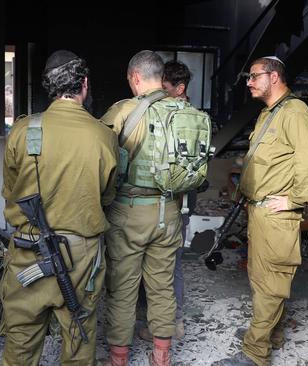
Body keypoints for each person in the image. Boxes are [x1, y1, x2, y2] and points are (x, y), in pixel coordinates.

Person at [0, 49, 118, 366]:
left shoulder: (22, 132)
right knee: (79, 342)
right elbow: (106, 197)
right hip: (81, 255)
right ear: (85, 85)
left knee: (20, 342)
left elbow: (10, 192)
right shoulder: (103, 136)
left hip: (27, 249)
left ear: (48, 88)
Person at [215, 56, 308, 366]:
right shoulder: (269, 114)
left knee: (269, 282)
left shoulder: (295, 113)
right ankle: (270, 333)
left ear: (274, 77)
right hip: (259, 211)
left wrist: (294, 200)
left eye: (254, 76)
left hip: (277, 215)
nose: (249, 82)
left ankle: (254, 353)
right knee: (263, 278)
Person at [102, 50, 182, 366]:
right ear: (160, 77)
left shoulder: (123, 111)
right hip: (169, 211)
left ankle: (118, 359)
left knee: (122, 289)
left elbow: (99, 158)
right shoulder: (181, 112)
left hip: (128, 211)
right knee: (162, 287)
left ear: (135, 77)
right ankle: (161, 358)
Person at [137, 59, 205, 341]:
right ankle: (158, 321)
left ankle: (171, 322)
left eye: (165, 89)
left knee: (170, 264)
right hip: (169, 202)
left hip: (177, 203)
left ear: (180, 88)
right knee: (158, 264)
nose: (160, 96)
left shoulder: (187, 119)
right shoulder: (188, 115)